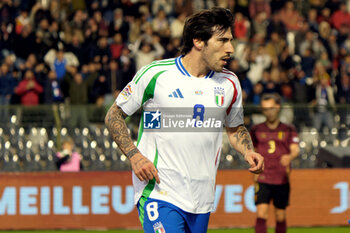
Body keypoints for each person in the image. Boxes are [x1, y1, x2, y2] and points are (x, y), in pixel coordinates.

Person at [105, 7, 264, 233]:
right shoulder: (156, 74)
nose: (231, 49)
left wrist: (248, 151)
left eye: (231, 41)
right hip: (159, 192)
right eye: (223, 41)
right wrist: (135, 156)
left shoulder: (230, 83)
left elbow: (235, 128)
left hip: (202, 198)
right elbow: (114, 115)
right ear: (198, 42)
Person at [250, 93, 300, 233]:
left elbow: (295, 150)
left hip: (282, 178)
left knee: (280, 215)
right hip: (263, 177)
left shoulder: (289, 129)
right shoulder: (256, 129)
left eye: (271, 108)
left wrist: (289, 157)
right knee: (261, 213)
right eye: (265, 109)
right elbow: (252, 151)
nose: (268, 112)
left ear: (278, 107)